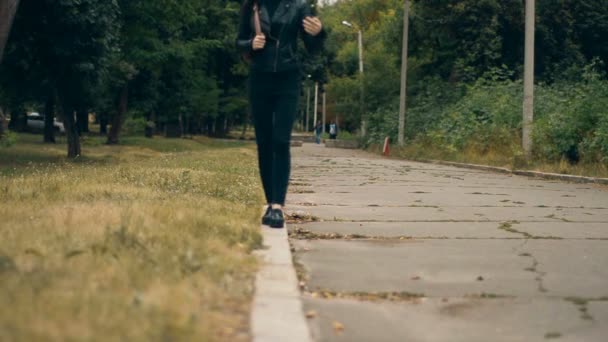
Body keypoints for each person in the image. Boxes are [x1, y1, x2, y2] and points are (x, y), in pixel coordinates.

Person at [237, 0, 326, 228]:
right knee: (265, 143)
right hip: (259, 79)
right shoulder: (252, 5)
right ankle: (270, 203)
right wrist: (250, 43)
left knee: (280, 140)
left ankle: (278, 206)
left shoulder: (299, 7)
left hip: (288, 78)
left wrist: (319, 33)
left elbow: (313, 48)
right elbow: (239, 41)